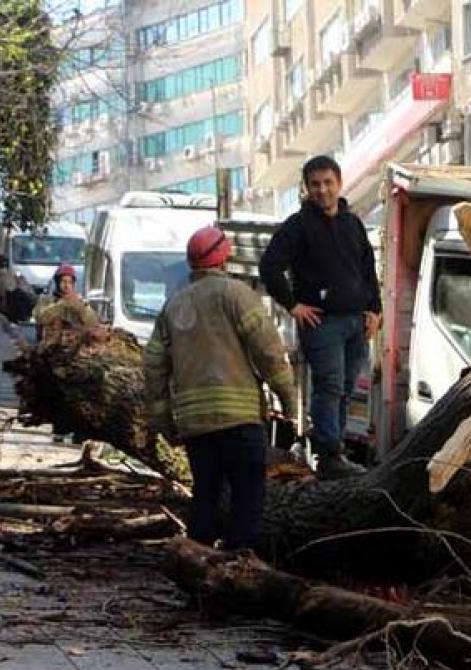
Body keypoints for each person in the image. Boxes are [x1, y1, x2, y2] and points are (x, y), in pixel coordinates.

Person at [143, 225, 295, 552]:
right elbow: (269, 353)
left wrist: (162, 421)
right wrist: (289, 402)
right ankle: (238, 565)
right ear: (224, 257)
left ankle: (196, 558)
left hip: (195, 425)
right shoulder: (237, 295)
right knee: (248, 494)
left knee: (206, 493)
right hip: (239, 420)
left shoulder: (174, 305)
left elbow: (153, 365)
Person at [258, 154, 380, 480]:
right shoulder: (297, 227)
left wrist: (375, 311)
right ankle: (329, 454)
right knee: (329, 386)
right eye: (315, 184)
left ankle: (336, 452)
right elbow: (269, 267)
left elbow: (368, 270)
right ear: (307, 188)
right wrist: (292, 305)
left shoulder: (352, 223)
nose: (322, 190)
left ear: (339, 183)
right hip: (322, 324)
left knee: (345, 389)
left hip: (357, 321)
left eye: (328, 183)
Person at [36, 263, 100, 342]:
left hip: (74, 343)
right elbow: (41, 319)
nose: (67, 286)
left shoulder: (79, 301)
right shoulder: (45, 300)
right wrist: (62, 304)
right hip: (52, 343)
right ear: (57, 282)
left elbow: (93, 323)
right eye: (64, 281)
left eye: (70, 282)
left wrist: (81, 308)